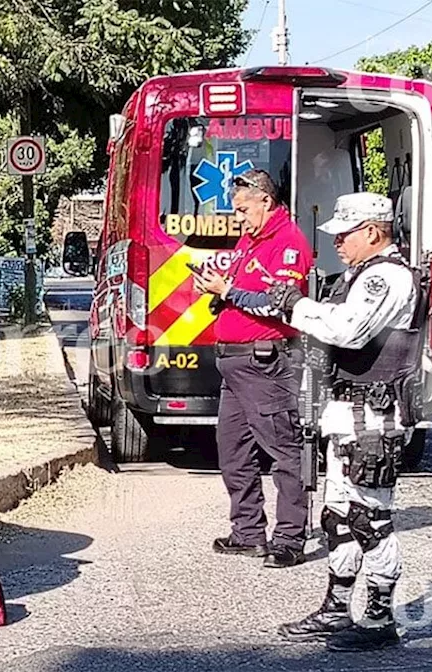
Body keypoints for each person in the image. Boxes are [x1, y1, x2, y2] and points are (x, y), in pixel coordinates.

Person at [266, 192, 428, 652]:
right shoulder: (360, 275)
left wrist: (296, 306)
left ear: (373, 232)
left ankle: (378, 621)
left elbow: (348, 330)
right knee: (338, 515)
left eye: (345, 233)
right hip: (348, 413)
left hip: (374, 416)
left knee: (369, 517)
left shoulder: (387, 279)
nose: (337, 241)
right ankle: (337, 610)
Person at [193, 170, 314, 569]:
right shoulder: (251, 241)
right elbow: (244, 291)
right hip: (234, 363)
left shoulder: (289, 243)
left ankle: (290, 538)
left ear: (265, 200)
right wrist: (217, 288)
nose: (239, 217)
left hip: (264, 361)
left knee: (283, 451)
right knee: (233, 452)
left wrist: (226, 291)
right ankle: (247, 533)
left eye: (243, 209)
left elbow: (277, 304)